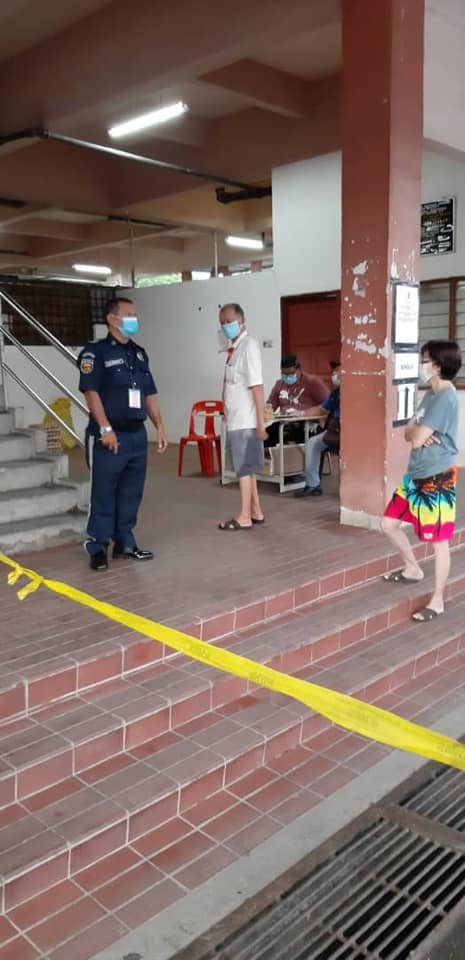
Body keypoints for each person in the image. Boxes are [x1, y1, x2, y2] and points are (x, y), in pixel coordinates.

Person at [78, 296, 168, 571]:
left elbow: (149, 393)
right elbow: (91, 393)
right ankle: (97, 545)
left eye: (135, 314)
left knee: (131, 492)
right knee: (103, 492)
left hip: (136, 435)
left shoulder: (139, 353)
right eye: (129, 314)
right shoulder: (95, 353)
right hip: (108, 436)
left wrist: (159, 426)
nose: (134, 319)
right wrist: (105, 428)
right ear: (112, 319)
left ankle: (124, 542)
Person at [381, 340, 461, 622]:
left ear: (438, 365)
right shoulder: (429, 395)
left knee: (439, 541)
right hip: (415, 474)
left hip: (437, 478)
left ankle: (437, 601)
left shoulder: (446, 397)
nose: (421, 364)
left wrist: (417, 432)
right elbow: (408, 433)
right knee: (388, 523)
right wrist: (417, 432)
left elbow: (414, 439)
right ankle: (412, 569)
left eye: (425, 360)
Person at [217, 303, 267, 531]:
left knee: (244, 469)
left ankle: (244, 516)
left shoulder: (249, 346)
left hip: (246, 421)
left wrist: (260, 422)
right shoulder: (235, 349)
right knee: (247, 468)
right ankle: (256, 511)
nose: (226, 326)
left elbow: (257, 386)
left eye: (229, 321)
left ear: (242, 319)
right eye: (222, 323)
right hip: (237, 419)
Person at [294, 360, 341, 498]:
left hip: (351, 434)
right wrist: (300, 413)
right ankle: (312, 485)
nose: (335, 375)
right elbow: (321, 409)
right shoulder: (335, 394)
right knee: (313, 443)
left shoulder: (354, 393)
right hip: (333, 432)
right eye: (334, 372)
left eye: (337, 371)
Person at [265, 354, 329, 446]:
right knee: (264, 437)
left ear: (299, 369)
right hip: (286, 424)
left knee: (298, 437)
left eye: (290, 374)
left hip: (309, 423)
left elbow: (328, 404)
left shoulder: (312, 381)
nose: (287, 377)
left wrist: (304, 413)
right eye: (284, 374)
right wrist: (266, 413)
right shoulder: (280, 384)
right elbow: (270, 405)